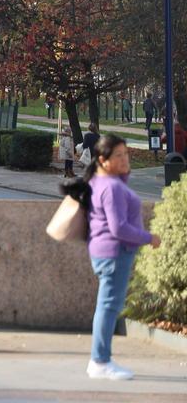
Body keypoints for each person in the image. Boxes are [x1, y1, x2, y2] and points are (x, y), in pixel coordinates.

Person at [83, 134, 160, 380]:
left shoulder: (98, 181)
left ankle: (100, 359)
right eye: (119, 155)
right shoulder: (112, 187)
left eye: (126, 154)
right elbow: (119, 228)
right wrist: (149, 238)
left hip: (104, 251)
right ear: (104, 160)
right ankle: (100, 361)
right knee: (108, 306)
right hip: (115, 252)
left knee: (106, 305)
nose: (125, 158)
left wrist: (122, 172)